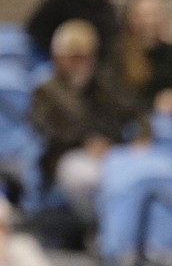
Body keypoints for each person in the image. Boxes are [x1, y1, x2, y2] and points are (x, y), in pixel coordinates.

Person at [29, 19, 144, 231]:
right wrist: (85, 142)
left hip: (109, 153)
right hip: (65, 156)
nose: (81, 64)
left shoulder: (102, 87)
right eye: (74, 57)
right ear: (59, 58)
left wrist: (138, 137)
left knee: (134, 176)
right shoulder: (46, 91)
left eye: (86, 57)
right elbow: (48, 132)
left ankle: (120, 235)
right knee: (88, 177)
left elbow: (132, 112)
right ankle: (104, 231)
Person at [112, 0, 172, 115]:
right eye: (143, 15)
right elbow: (115, 96)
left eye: (155, 14)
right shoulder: (119, 54)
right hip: (131, 121)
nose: (149, 21)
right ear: (131, 18)